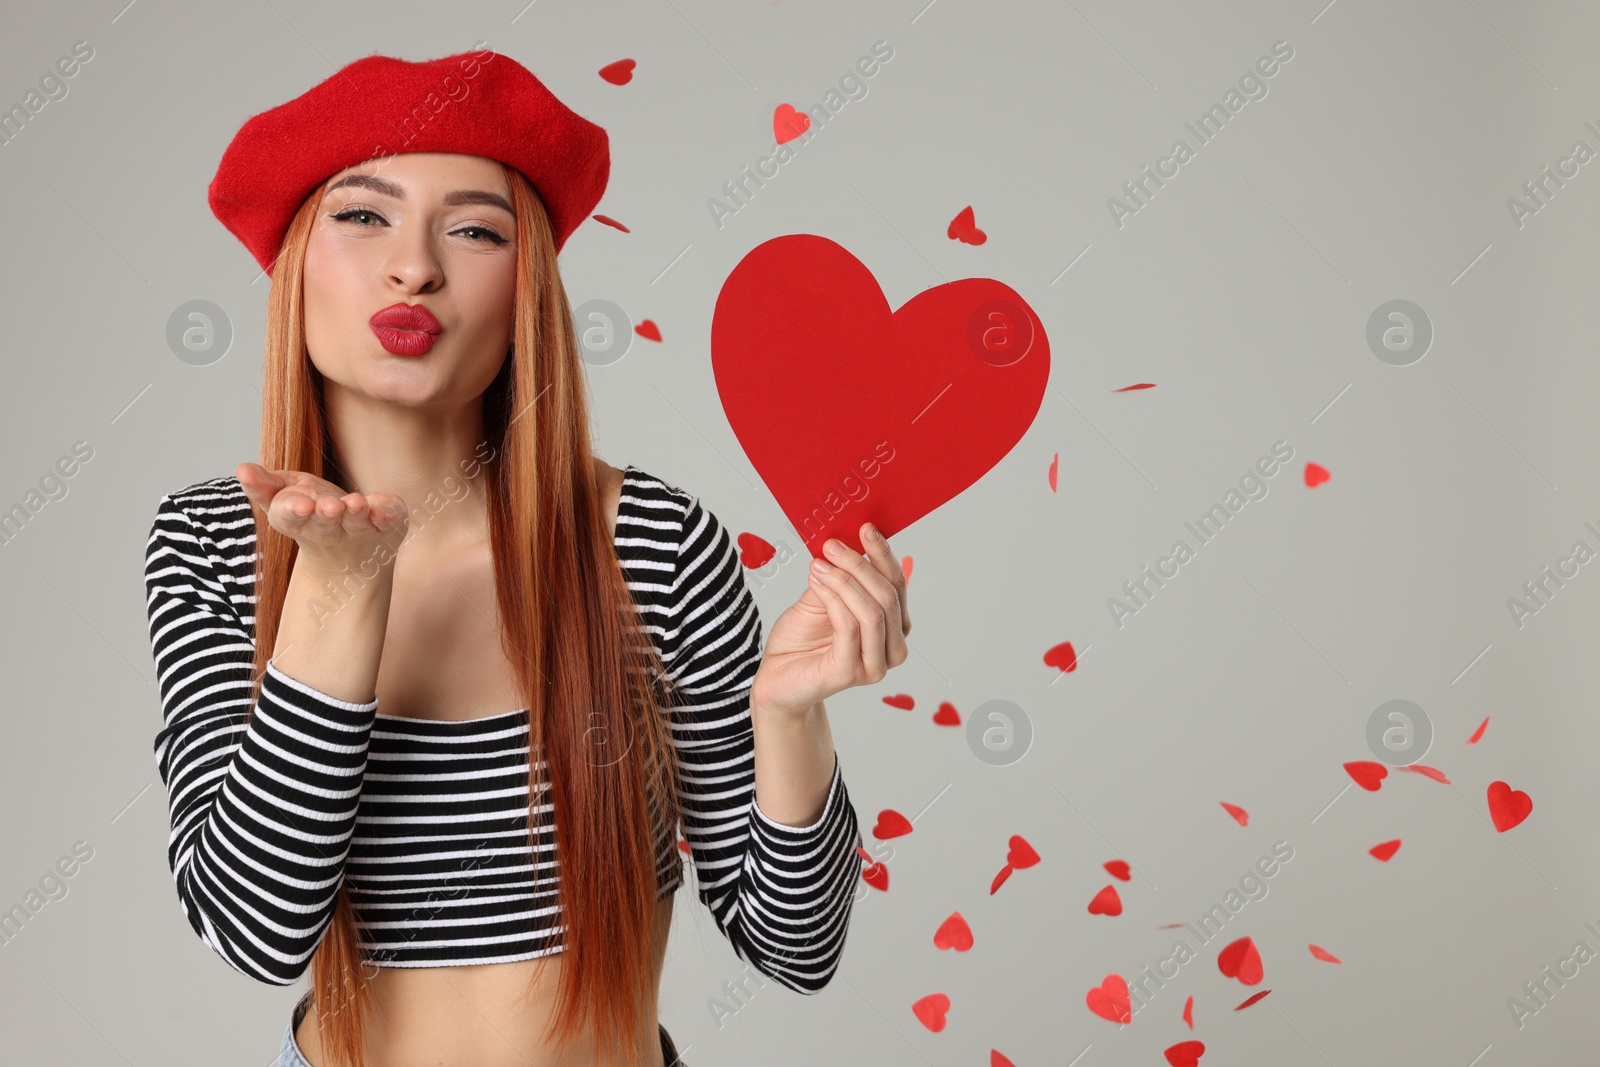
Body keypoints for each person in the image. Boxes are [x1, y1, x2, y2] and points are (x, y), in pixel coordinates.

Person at [144, 49, 911, 1067]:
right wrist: (338, 588)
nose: (414, 265)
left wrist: (788, 710)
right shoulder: (214, 539)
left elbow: (795, 945)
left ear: (529, 290)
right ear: (293, 265)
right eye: (363, 216)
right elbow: (252, 928)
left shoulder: (654, 541)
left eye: (473, 229)